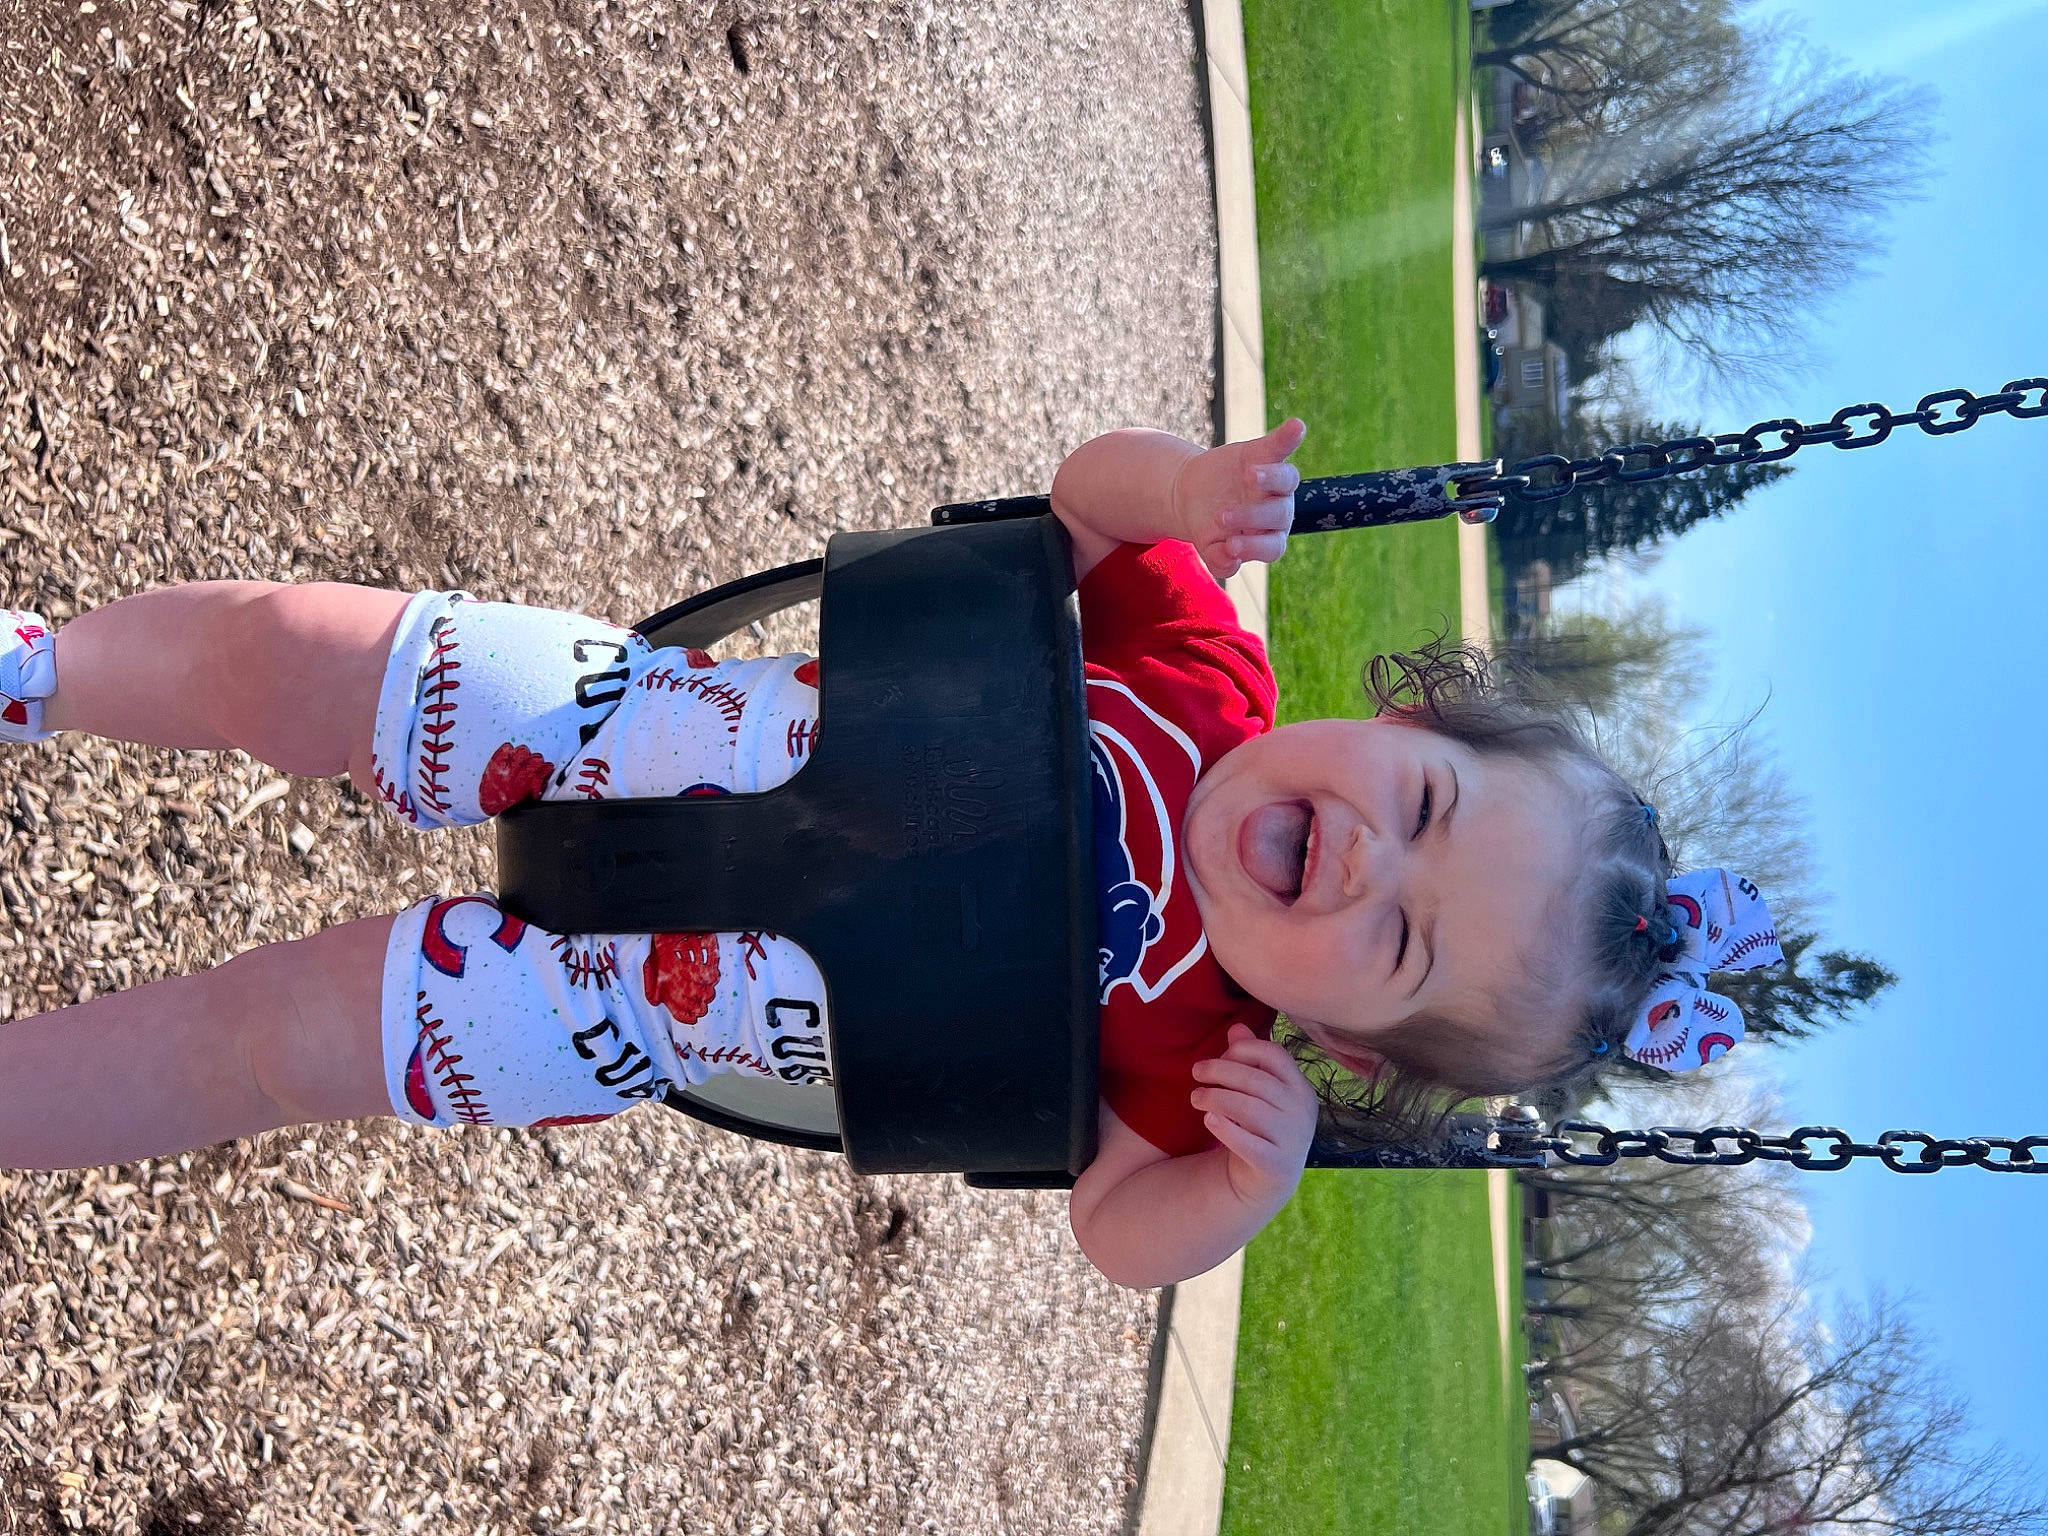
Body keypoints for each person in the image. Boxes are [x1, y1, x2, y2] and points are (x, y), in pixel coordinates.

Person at [0, 420, 1782, 1289]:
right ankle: (43, 673)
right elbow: (1070, 513)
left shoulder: (1201, 1067)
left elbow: (1107, 1236)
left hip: (606, 1013)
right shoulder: (1205, 670)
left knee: (256, 1048)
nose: (1364, 864)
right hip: (627, 720)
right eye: (1423, 806)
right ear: (1403, 726)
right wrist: (1177, 495)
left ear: (1357, 1048)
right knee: (292, 654)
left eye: (1400, 946)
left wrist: (1235, 1196)